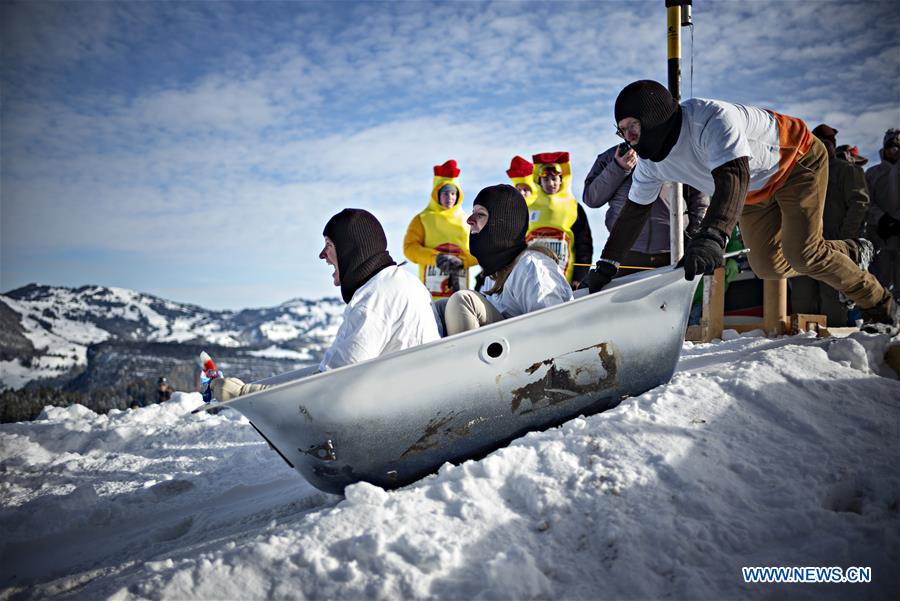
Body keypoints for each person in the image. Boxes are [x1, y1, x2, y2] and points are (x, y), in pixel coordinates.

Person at [583, 80, 898, 335]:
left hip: (795, 163)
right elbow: (634, 213)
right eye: (621, 131)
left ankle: (879, 305)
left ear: (653, 118)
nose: (628, 138)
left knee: (803, 253)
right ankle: (851, 251)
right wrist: (608, 263)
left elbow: (733, 175)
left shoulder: (710, 120)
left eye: (632, 127)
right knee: (768, 268)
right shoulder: (651, 165)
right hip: (753, 192)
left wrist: (712, 236)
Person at [212, 209, 440, 401]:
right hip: (417, 396)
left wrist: (244, 394)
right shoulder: (405, 281)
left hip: (397, 410)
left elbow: (330, 385)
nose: (322, 255)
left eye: (329, 245)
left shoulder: (373, 300)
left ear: (351, 250)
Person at [441, 184, 573, 334]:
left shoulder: (532, 268)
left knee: (463, 301)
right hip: (505, 346)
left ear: (502, 223)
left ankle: (461, 357)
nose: (469, 220)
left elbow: (553, 329)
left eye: (480, 214)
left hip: (528, 352)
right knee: (443, 306)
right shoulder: (496, 271)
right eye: (473, 213)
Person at [583, 142, 710, 276]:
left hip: (674, 250)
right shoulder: (611, 157)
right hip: (625, 252)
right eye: (623, 129)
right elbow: (592, 199)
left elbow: (700, 200)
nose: (631, 133)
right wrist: (618, 167)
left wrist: (693, 237)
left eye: (635, 125)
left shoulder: (679, 153)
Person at [791, 124, 871, 326]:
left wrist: (844, 239)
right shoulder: (802, 174)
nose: (824, 147)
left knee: (832, 297)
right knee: (803, 297)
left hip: (833, 245)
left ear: (833, 146)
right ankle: (797, 347)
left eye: (827, 144)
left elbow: (859, 204)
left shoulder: (847, 171)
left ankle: (832, 345)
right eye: (818, 144)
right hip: (803, 246)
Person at [403, 160, 477, 300]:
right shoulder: (422, 219)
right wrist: (436, 258)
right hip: (430, 296)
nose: (449, 197)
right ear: (437, 194)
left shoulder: (468, 221)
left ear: (458, 195)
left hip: (460, 292)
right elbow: (409, 249)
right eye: (445, 193)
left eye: (453, 193)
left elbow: (479, 251)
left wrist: (463, 261)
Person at [526, 152, 593, 289]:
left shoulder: (573, 207)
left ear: (561, 180)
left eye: (554, 179)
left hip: (564, 275)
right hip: (532, 275)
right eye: (546, 179)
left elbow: (583, 243)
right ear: (539, 181)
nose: (551, 183)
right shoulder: (528, 207)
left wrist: (579, 277)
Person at [865, 128, 900, 297]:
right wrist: (881, 218)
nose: (894, 150)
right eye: (891, 146)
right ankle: (883, 315)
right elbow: (866, 201)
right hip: (880, 235)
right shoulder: (873, 173)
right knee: (880, 279)